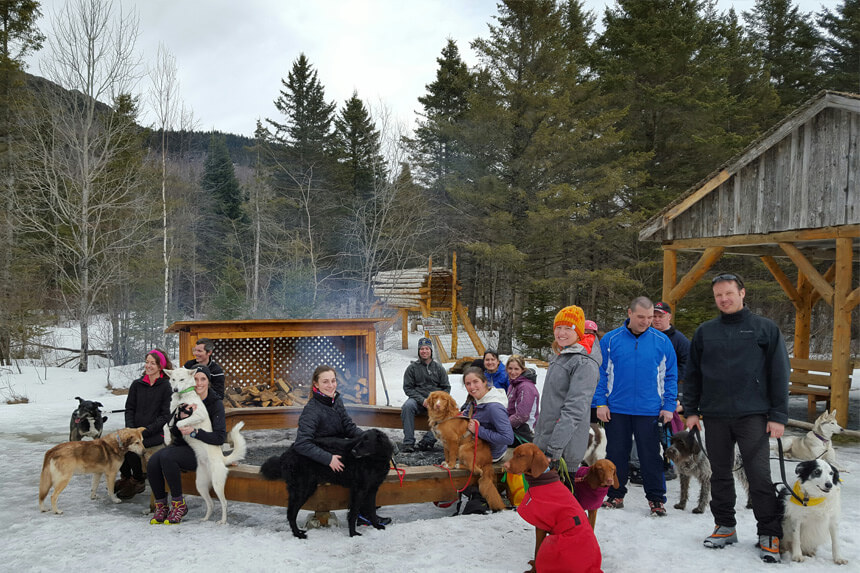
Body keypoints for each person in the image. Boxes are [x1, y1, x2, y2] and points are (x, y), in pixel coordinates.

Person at [683, 273, 789, 563]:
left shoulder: (765, 329)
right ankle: (725, 525)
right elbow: (692, 375)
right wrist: (691, 410)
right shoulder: (706, 332)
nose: (724, 299)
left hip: (753, 415)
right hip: (715, 415)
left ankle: (769, 532)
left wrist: (778, 415)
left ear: (742, 293)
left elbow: (779, 374)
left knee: (758, 476)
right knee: (719, 473)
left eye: (729, 293)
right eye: (718, 295)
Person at [594, 296, 677, 516]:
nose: (646, 321)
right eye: (641, 317)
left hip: (649, 409)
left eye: (650, 317)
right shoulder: (611, 339)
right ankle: (615, 494)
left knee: (650, 455)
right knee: (616, 453)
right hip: (617, 409)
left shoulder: (661, 341)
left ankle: (656, 499)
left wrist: (668, 405)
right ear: (629, 313)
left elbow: (670, 376)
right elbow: (601, 374)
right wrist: (600, 402)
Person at [293, 364, 391, 527]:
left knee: (373, 459)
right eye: (325, 382)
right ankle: (363, 513)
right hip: (321, 457)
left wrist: (371, 440)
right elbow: (302, 443)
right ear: (316, 384)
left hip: (338, 448)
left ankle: (368, 506)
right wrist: (328, 459)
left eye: (333, 381)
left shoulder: (335, 400)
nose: (330, 385)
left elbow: (348, 426)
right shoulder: (311, 410)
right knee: (363, 473)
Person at [147, 364, 226, 525]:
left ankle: (179, 505)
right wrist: (178, 421)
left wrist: (195, 432)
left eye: (202, 379)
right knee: (154, 461)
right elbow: (175, 430)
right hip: (184, 447)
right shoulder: (183, 398)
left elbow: (219, 438)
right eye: (195, 379)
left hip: (204, 451)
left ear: (208, 381)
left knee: (168, 457)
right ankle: (161, 505)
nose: (198, 383)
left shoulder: (215, 404)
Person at [533, 305, 600, 479]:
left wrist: (554, 449)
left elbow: (574, 410)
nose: (561, 333)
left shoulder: (584, 363)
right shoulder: (563, 355)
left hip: (561, 451)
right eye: (558, 328)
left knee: (560, 503)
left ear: (579, 332)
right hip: (547, 443)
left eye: (568, 328)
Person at [115, 349, 172, 499]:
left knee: (134, 450)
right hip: (134, 431)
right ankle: (126, 477)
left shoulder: (166, 386)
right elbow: (130, 408)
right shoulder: (137, 384)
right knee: (119, 445)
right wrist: (131, 428)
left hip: (154, 433)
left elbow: (165, 415)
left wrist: (144, 432)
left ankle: (138, 480)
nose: (148, 366)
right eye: (147, 362)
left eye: (153, 363)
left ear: (160, 366)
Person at [400, 337, 451, 452]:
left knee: (447, 411)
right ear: (419, 351)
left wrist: (437, 401)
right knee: (407, 407)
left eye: (427, 348)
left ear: (431, 351)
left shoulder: (439, 368)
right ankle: (408, 442)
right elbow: (408, 388)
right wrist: (422, 400)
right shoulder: (412, 368)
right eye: (422, 349)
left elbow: (446, 388)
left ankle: (427, 441)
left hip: (436, 402)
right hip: (417, 401)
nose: (424, 351)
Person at [460, 367, 514, 462]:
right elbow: (465, 415)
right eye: (468, 384)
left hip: (491, 453)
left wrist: (478, 430)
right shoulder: (476, 399)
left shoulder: (494, 408)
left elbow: (508, 438)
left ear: (484, 381)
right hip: (478, 444)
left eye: (475, 382)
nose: (472, 387)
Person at [505, 355, 539, 444]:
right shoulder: (513, 384)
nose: (512, 372)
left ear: (522, 370)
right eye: (510, 368)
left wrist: (503, 424)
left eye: (516, 369)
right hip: (515, 426)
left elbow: (522, 415)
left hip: (526, 430)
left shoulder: (525, 387)